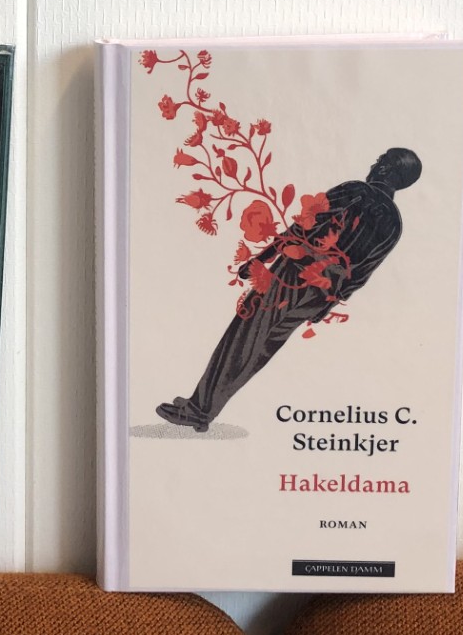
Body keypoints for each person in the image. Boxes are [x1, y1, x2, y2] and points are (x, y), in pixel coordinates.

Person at [156, 147, 420, 431]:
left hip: (296, 272)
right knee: (263, 348)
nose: (374, 164)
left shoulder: (356, 190)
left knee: (244, 335)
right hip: (322, 292)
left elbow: (304, 225)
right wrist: (328, 305)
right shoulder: (395, 224)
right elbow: (360, 274)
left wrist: (262, 258)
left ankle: (199, 410)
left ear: (387, 169)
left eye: (380, 160)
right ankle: (204, 408)